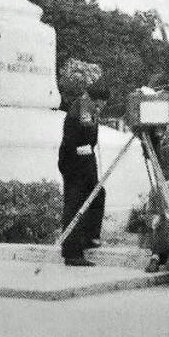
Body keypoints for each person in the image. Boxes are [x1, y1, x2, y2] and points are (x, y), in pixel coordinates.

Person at [59, 88, 108, 267]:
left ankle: (89, 236)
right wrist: (95, 116)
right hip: (75, 162)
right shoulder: (85, 106)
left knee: (97, 194)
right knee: (75, 204)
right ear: (99, 100)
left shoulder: (85, 106)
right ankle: (72, 252)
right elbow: (87, 135)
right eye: (101, 104)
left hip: (85, 160)